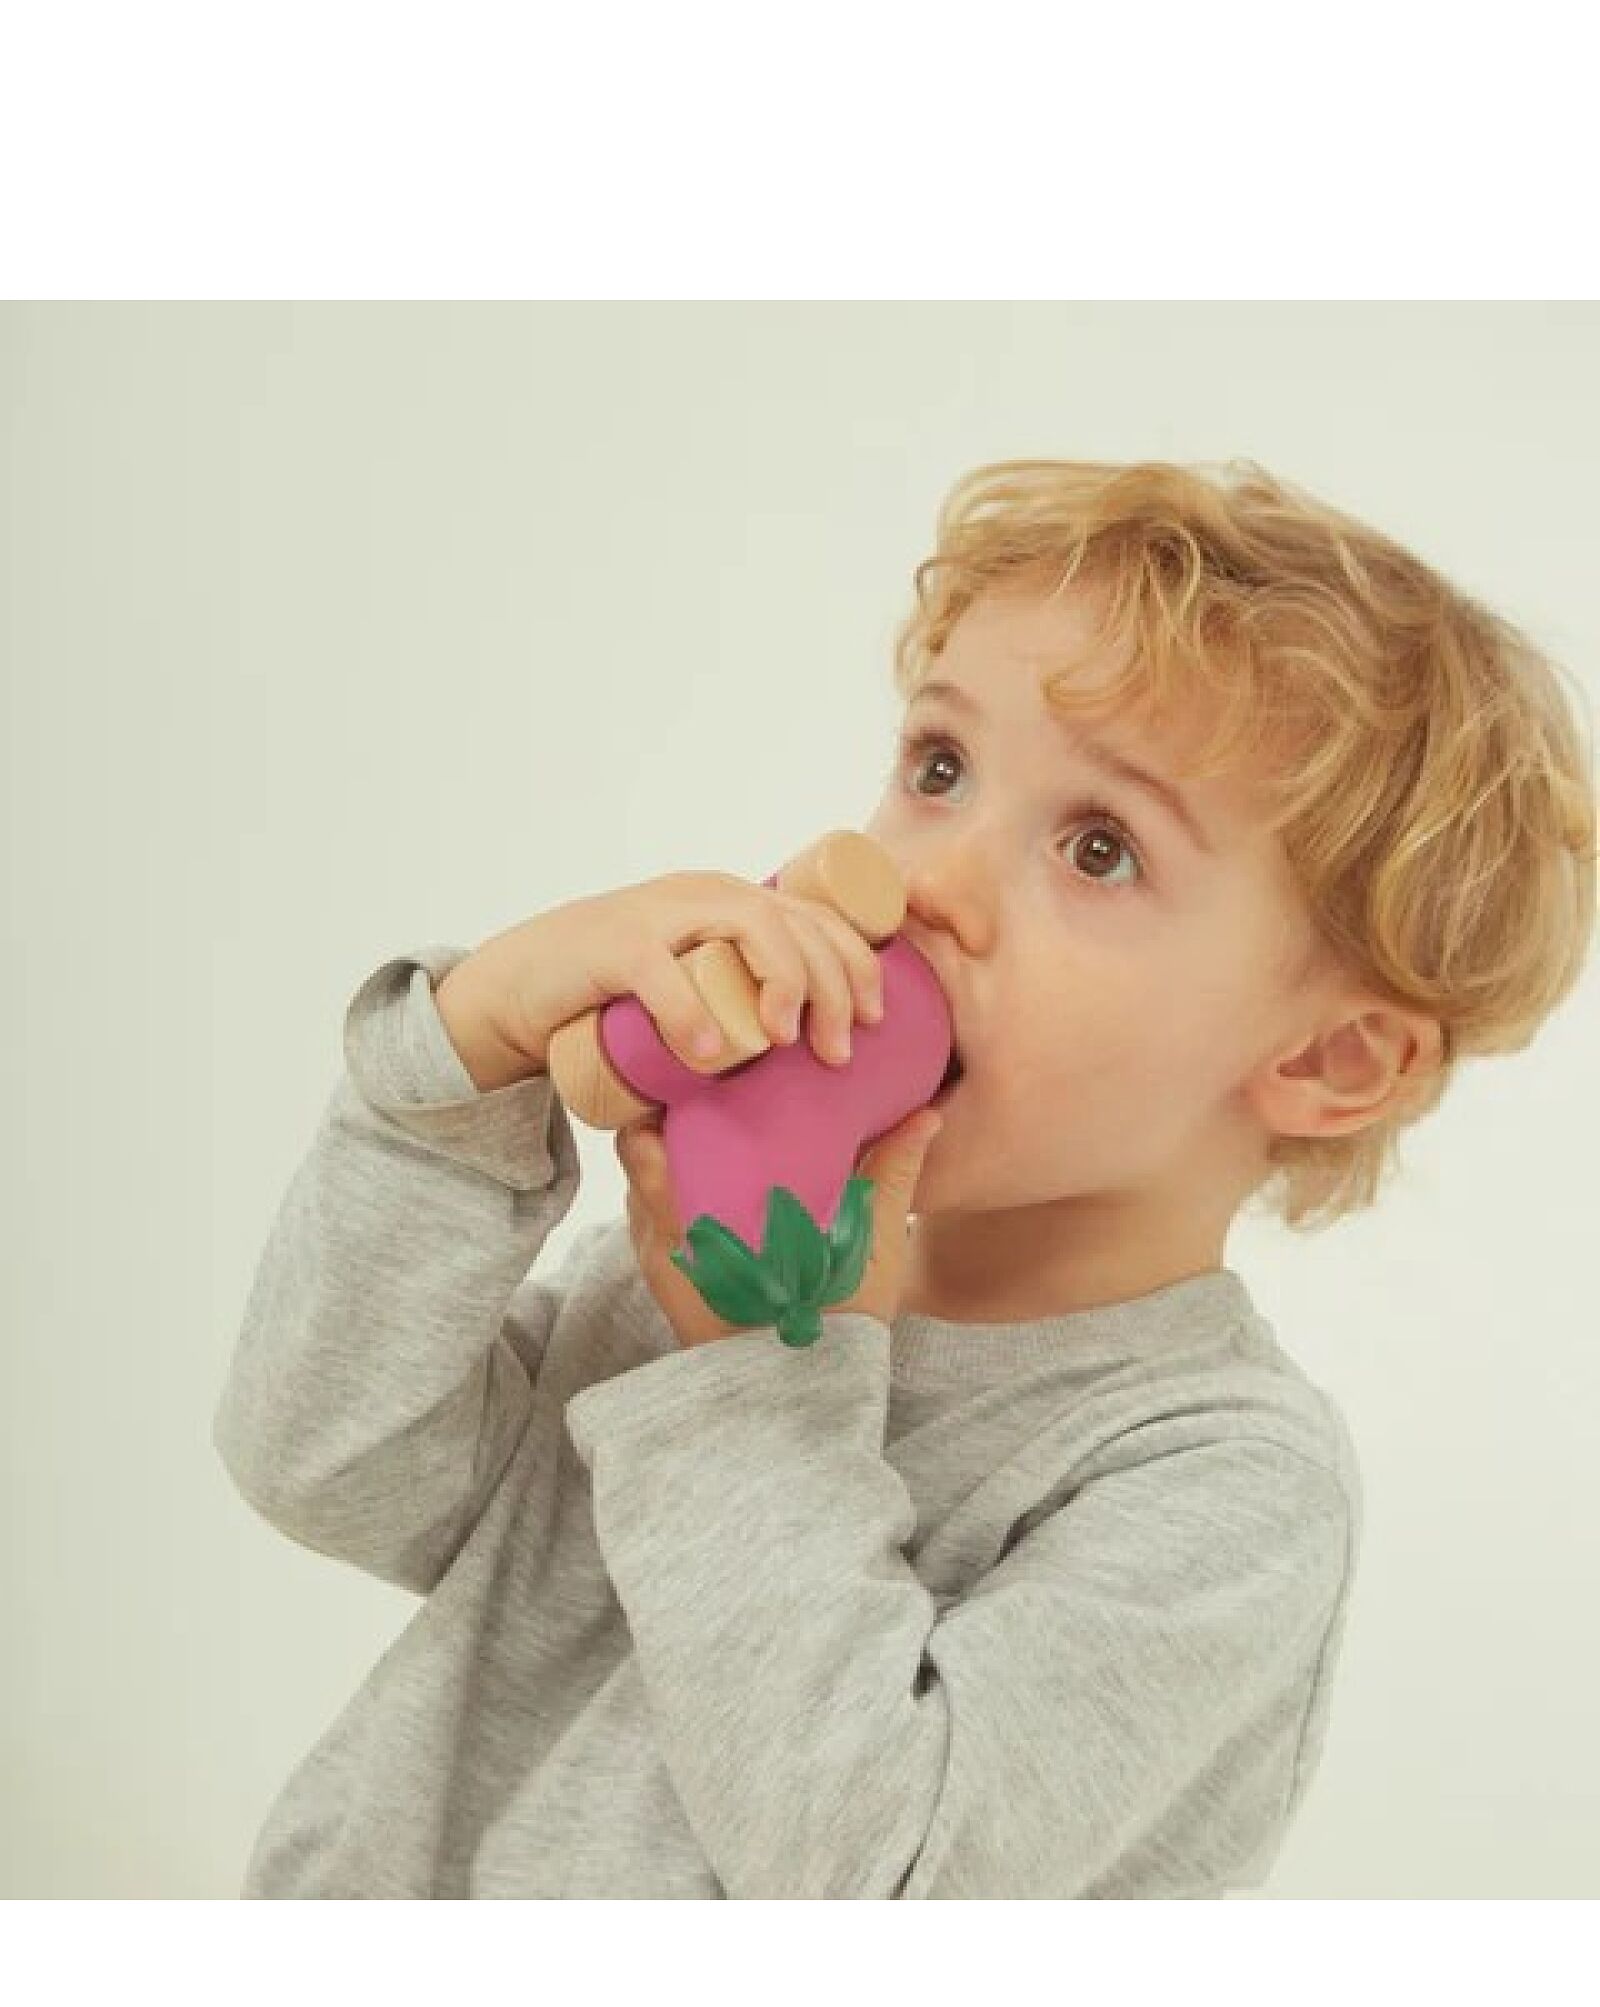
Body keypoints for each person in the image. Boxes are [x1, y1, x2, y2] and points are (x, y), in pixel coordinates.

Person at [212, 456, 1597, 1898]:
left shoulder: (1217, 1481)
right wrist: (457, 1069)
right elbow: (329, 1467)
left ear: (1331, 1062)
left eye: (1100, 848)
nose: (925, 879)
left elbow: (871, 1882)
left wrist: (759, 1368)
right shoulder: (682, 1259)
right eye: (939, 769)